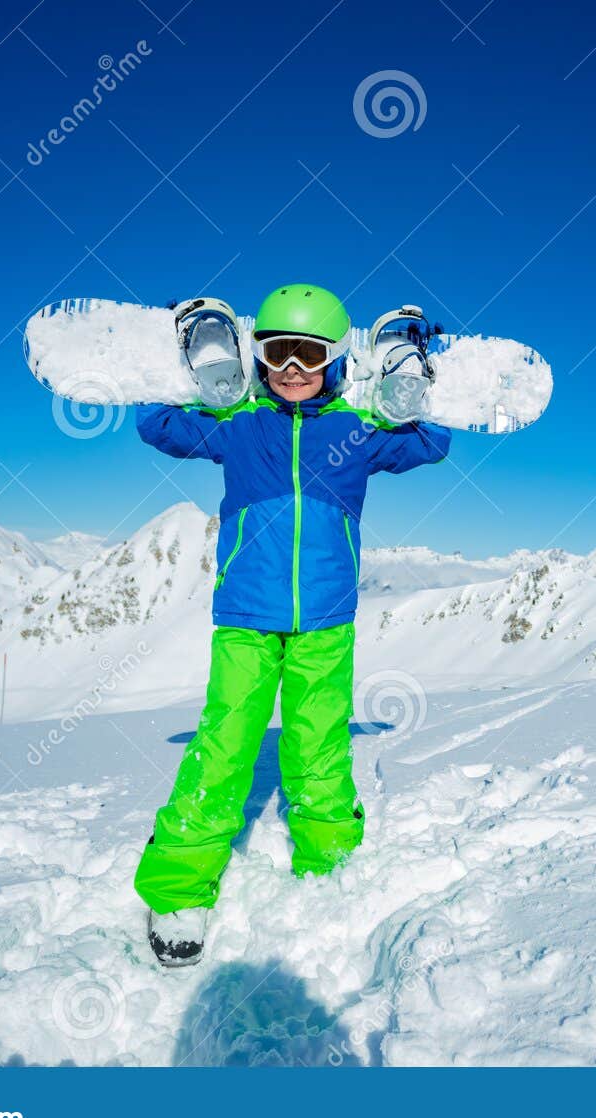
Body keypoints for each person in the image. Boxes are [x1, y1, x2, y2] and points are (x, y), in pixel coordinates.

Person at [132, 283, 451, 966]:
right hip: (246, 615)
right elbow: (156, 425)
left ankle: (328, 858)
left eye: (309, 353)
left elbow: (432, 441)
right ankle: (180, 884)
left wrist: (407, 366)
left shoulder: (358, 429)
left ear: (336, 357)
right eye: (278, 352)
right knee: (224, 744)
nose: (294, 367)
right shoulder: (242, 423)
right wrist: (195, 367)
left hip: (327, 620)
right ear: (259, 357)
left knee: (318, 744)